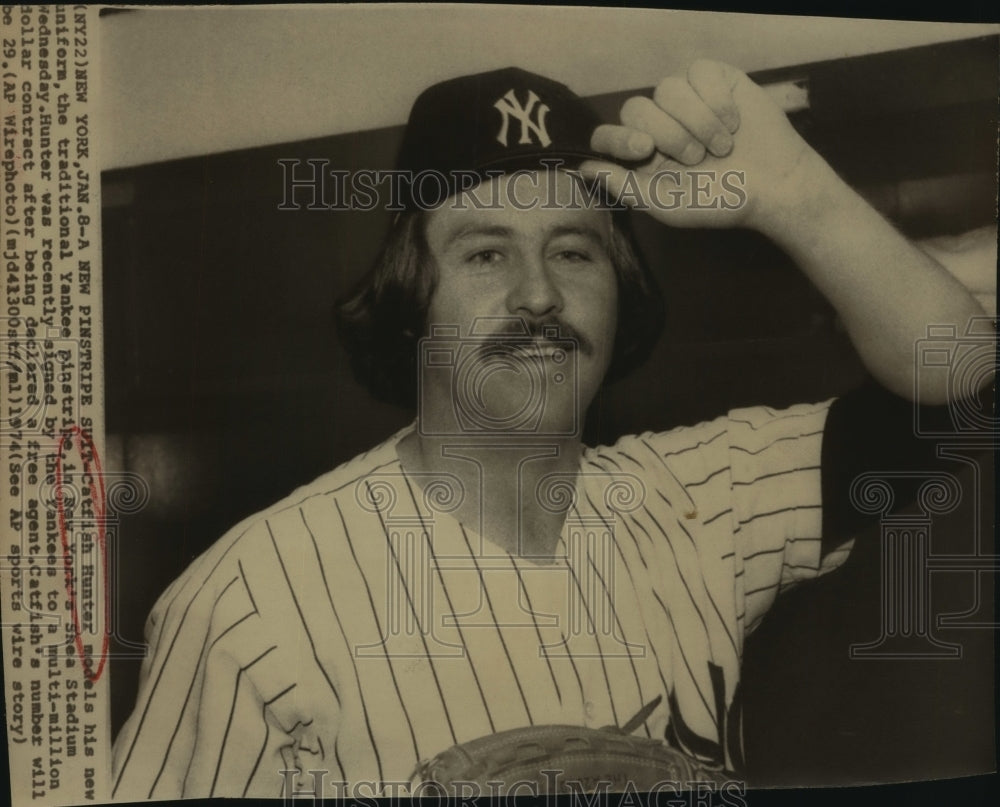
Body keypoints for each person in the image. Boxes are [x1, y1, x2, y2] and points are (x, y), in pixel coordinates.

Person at [111, 61, 992, 799]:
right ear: (412, 295)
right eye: (485, 252)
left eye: (574, 250)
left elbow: (959, 395)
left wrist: (798, 197)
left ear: (623, 291)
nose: (538, 295)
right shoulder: (250, 607)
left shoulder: (701, 502)